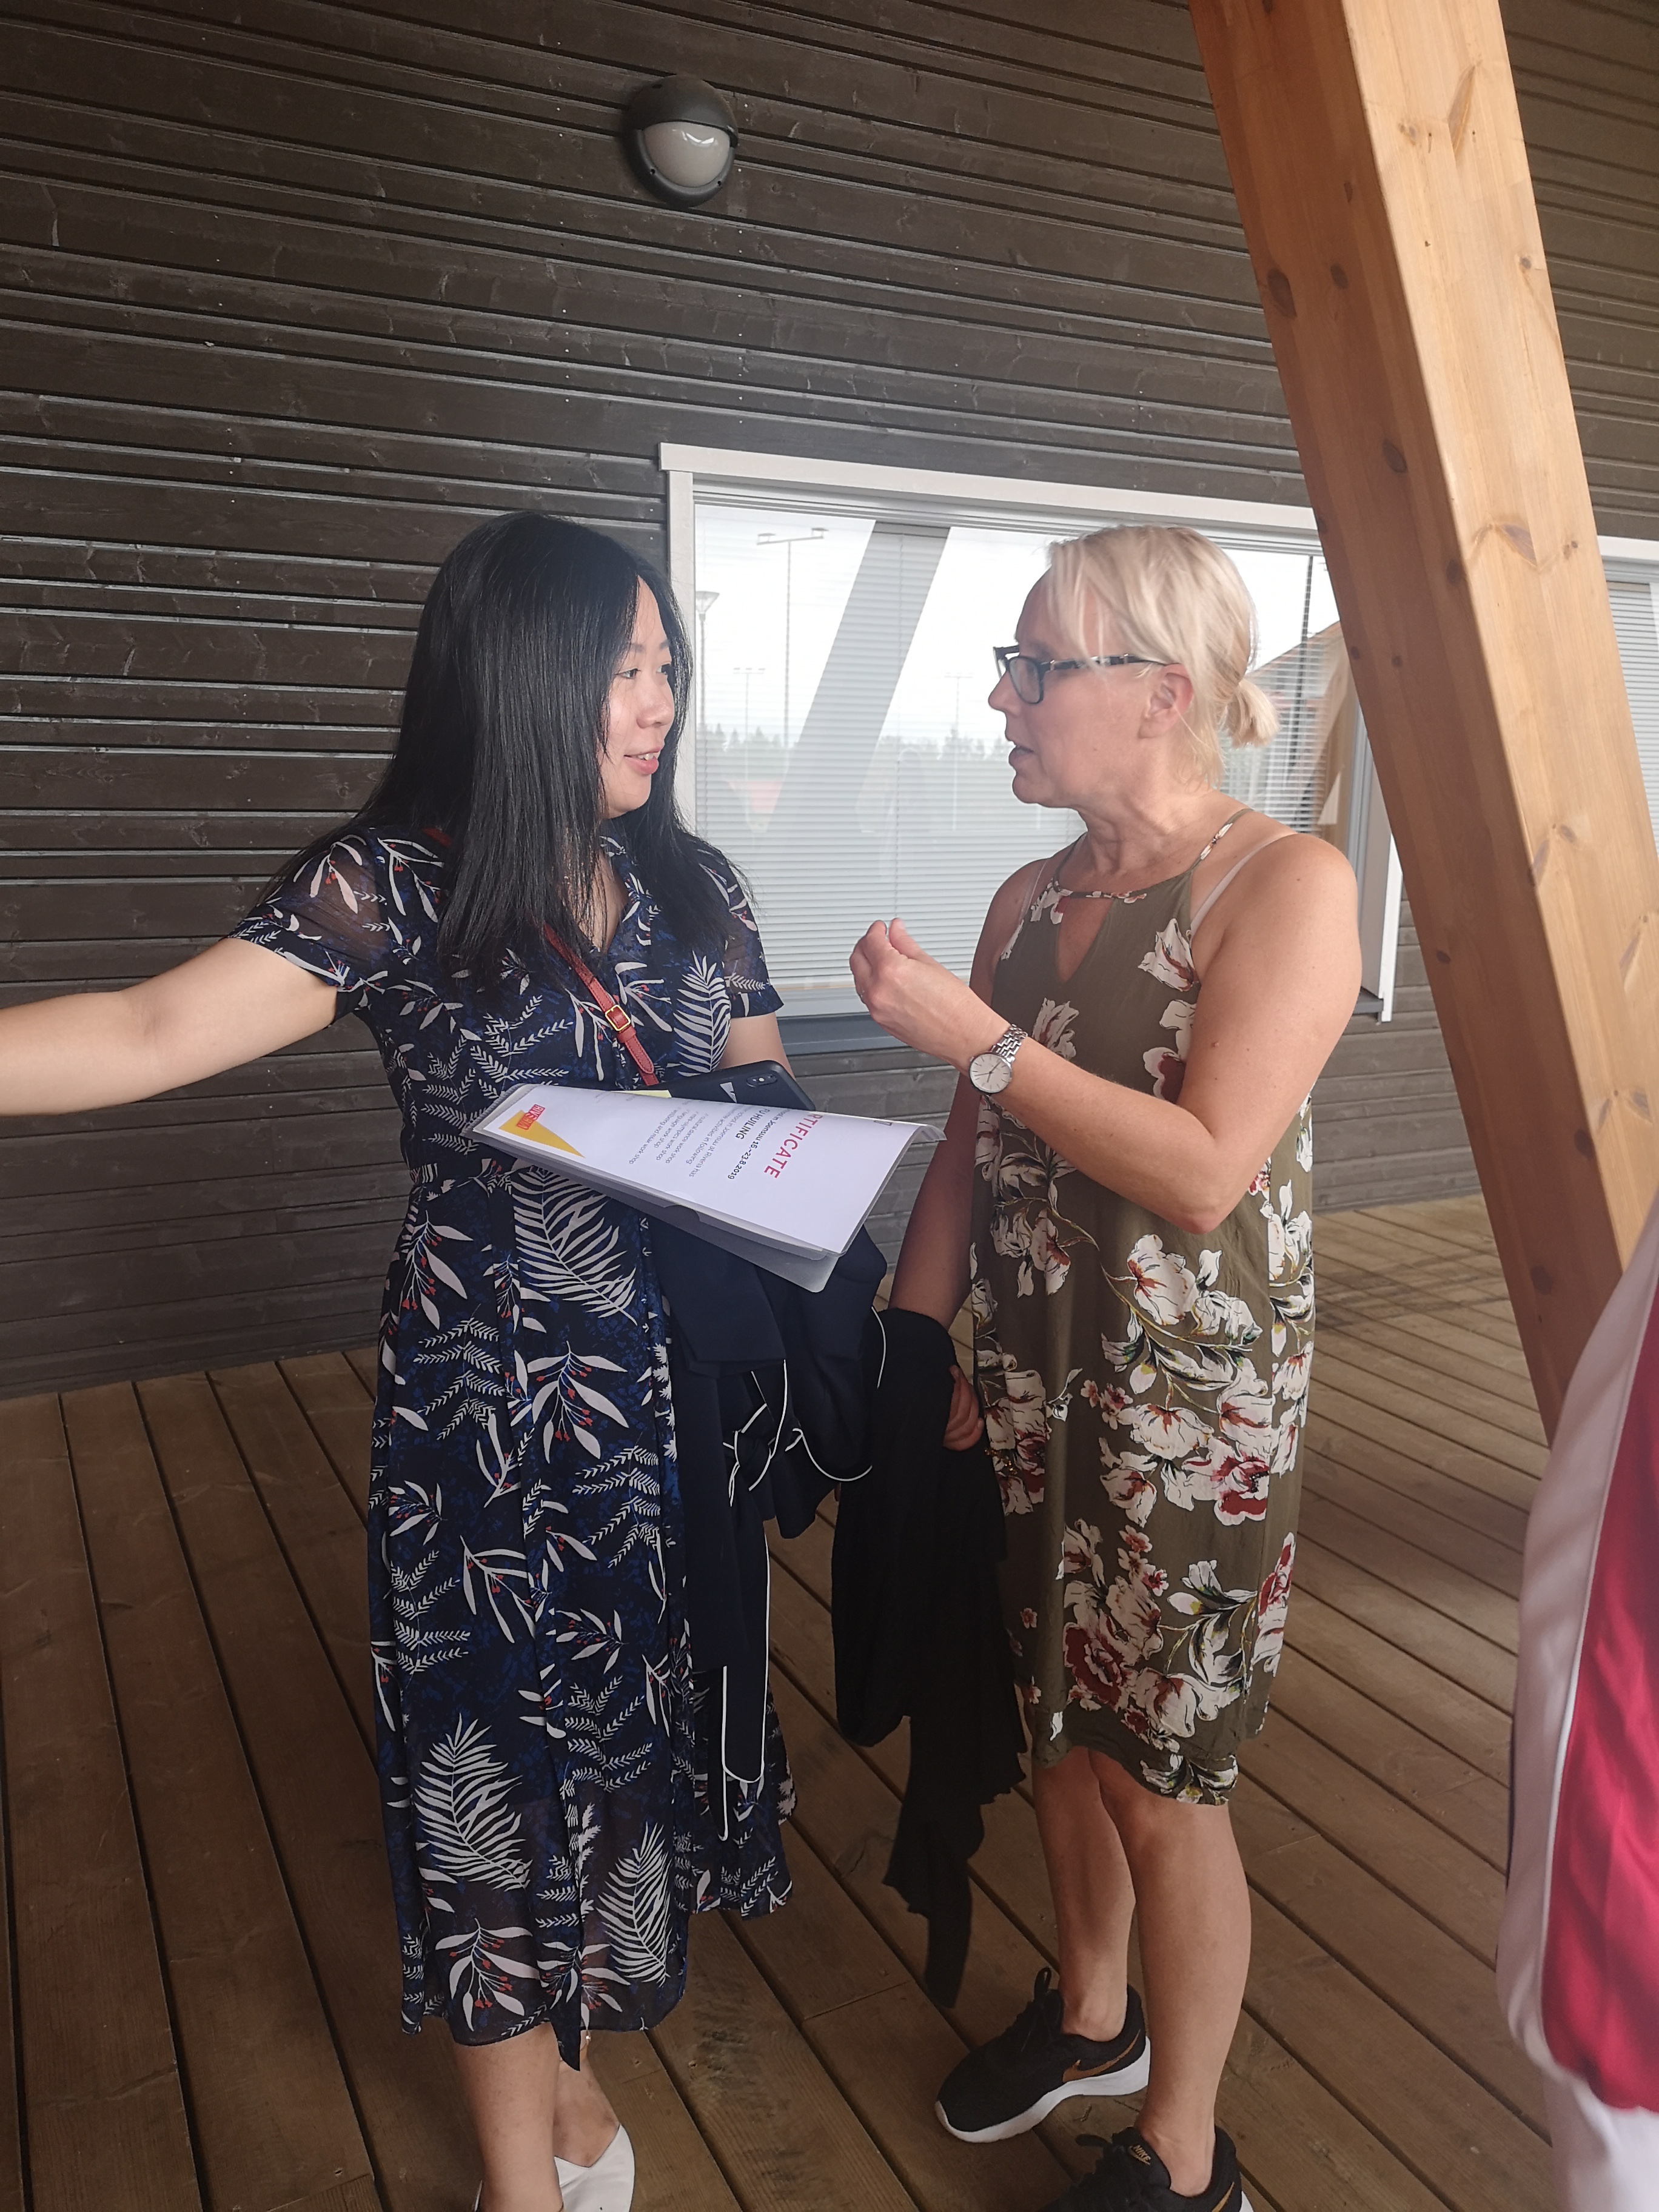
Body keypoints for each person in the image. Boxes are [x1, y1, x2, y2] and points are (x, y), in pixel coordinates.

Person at [0, 512, 797, 2212]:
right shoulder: (394, 887)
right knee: (487, 1764)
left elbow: (760, 1101)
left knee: (627, 1748)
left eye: (668, 667)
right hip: (486, 1402)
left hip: (672, 1401)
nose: (660, 703)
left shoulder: (698, 885)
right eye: (623, 671)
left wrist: (767, 1158)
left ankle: (570, 2078)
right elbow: (149, 1029)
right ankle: (525, 2177)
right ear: (520, 677)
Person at [850, 525, 1361, 2212]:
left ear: (1161, 691)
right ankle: (1091, 2015)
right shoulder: (1030, 897)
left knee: (1162, 1781)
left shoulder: (1286, 885)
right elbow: (966, 1153)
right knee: (1057, 1729)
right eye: (1007, 667)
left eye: (1033, 667)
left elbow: (1206, 1171)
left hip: (1183, 1420)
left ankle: (1184, 2150)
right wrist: (911, 1343)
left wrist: (982, 1040)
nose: (1002, 697)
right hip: (1019, 1388)